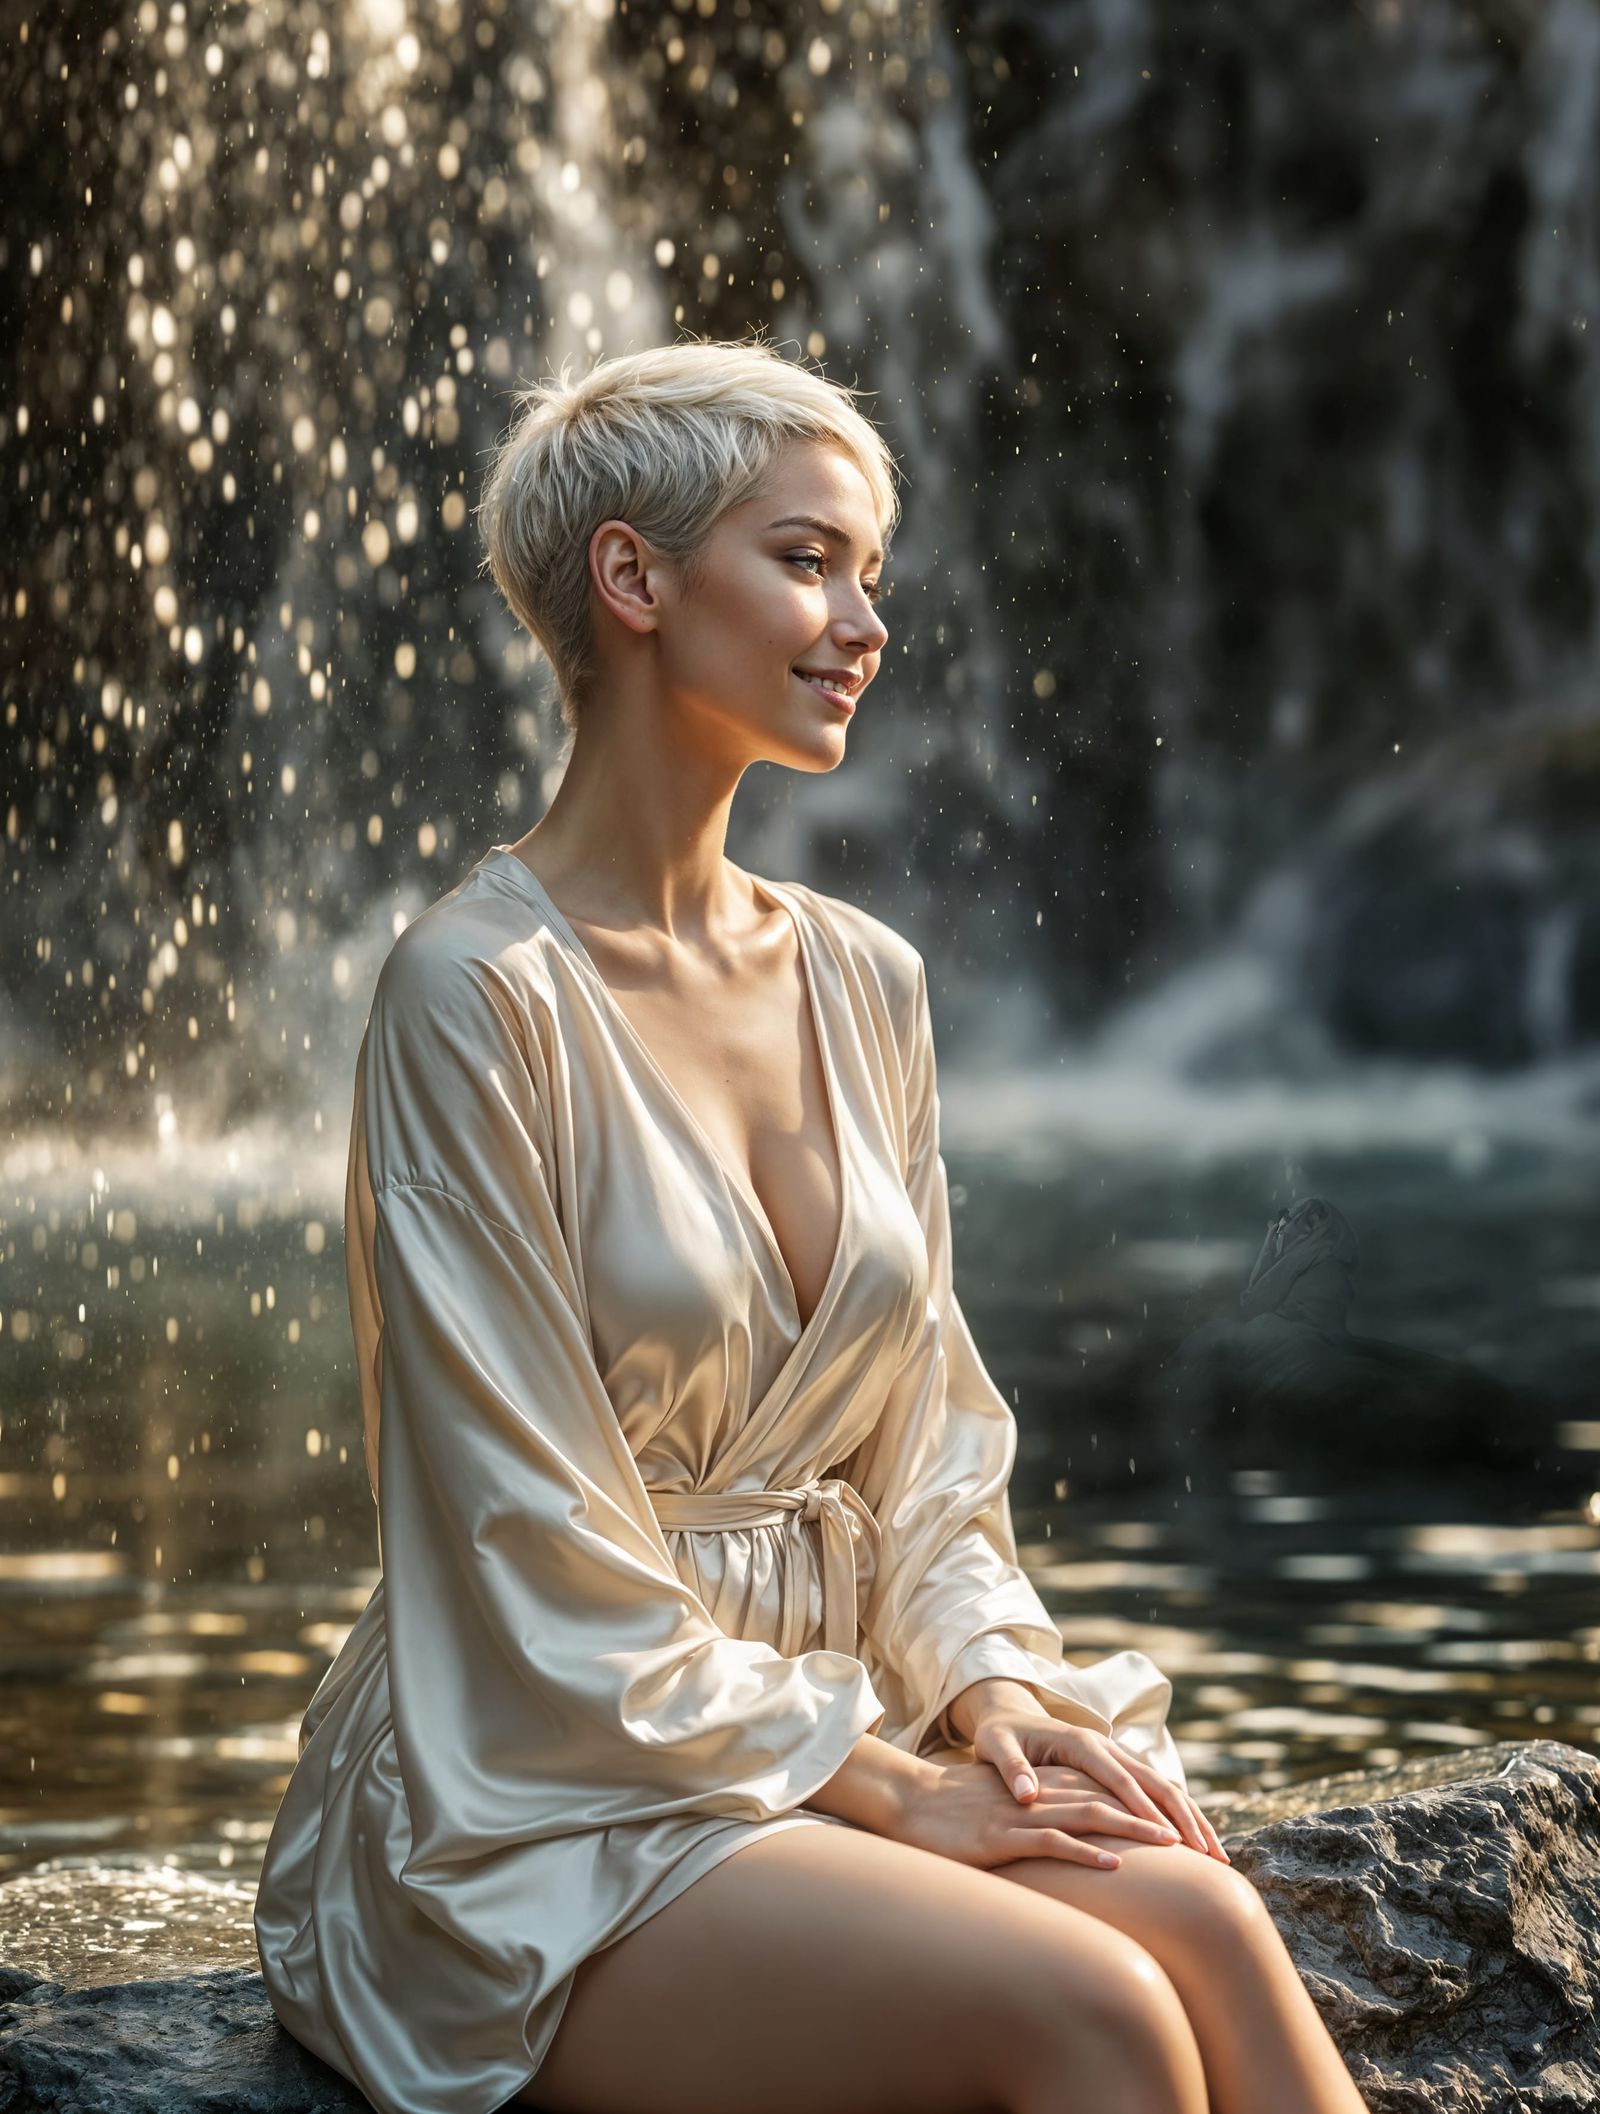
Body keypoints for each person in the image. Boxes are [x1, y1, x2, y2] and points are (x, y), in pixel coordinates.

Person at [253, 335, 1371, 2114]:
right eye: (806, 559)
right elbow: (529, 1546)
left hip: (827, 1724)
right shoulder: (473, 995)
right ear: (632, 577)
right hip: (542, 1775)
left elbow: (926, 1455)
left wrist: (994, 1694)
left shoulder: (864, 979)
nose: (864, 621)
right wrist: (895, 1782)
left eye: (873, 574)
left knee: (1213, 1927)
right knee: (1098, 2015)